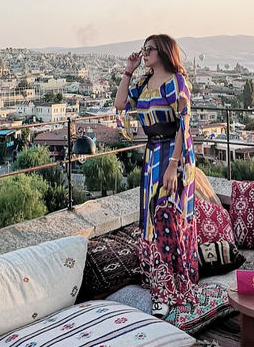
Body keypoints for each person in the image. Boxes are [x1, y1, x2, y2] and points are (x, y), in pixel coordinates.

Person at [114, 34, 197, 318]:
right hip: (152, 156)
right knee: (151, 219)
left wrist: (174, 165)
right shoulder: (143, 84)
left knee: (168, 218)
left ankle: (172, 288)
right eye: (143, 49)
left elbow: (183, 127)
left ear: (162, 51)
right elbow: (120, 103)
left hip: (174, 156)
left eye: (149, 49)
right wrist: (128, 70)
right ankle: (159, 283)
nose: (145, 53)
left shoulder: (176, 83)